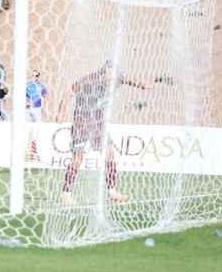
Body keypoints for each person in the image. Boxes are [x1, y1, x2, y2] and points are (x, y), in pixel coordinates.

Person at [57, 60, 151, 206]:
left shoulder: (115, 80)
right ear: (106, 71)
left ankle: (112, 192)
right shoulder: (89, 80)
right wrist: (61, 112)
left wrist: (141, 85)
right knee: (78, 158)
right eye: (112, 73)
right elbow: (69, 92)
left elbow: (126, 80)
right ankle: (66, 193)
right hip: (82, 122)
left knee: (110, 154)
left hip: (98, 124)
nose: (115, 77)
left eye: (116, 75)